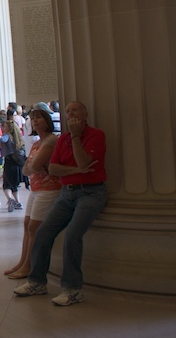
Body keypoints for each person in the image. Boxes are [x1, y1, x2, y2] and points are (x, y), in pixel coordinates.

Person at [14, 101, 107, 306]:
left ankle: (73, 289)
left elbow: (83, 162)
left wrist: (75, 137)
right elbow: (54, 168)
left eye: (75, 109)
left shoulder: (95, 135)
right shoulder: (62, 139)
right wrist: (75, 171)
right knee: (43, 231)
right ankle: (37, 282)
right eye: (67, 111)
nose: (70, 113)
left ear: (86, 113)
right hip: (67, 193)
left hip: (91, 193)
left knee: (73, 235)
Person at [4, 108, 59, 279]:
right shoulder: (37, 143)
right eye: (33, 118)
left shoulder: (51, 140)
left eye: (39, 118)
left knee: (34, 227)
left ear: (47, 121)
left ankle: (28, 265)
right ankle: (22, 261)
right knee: (27, 225)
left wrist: (35, 166)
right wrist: (35, 166)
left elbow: (33, 166)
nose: (35, 121)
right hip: (36, 187)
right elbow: (27, 170)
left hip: (49, 189)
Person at [0, 119, 24, 212]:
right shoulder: (17, 137)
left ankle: (10, 199)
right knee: (14, 185)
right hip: (16, 163)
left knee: (7, 185)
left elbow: (3, 139)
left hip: (9, 162)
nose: (3, 128)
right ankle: (18, 202)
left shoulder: (7, 135)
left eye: (4, 126)